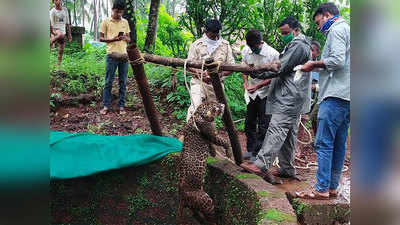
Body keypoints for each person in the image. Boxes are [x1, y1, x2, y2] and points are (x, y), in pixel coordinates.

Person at [240, 17, 312, 184]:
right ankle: (287, 168)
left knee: (276, 128)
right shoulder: (296, 45)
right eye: (282, 33)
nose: (284, 36)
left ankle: (261, 164)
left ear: (296, 30)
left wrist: (256, 73)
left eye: (286, 33)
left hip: (289, 97)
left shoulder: (298, 45)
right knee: (288, 135)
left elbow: (279, 67)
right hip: (294, 96)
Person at [296, 2, 350, 200]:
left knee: (324, 142)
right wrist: (318, 67)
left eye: (318, 22)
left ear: (326, 15)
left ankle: (321, 189)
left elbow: (336, 61)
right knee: (339, 143)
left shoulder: (336, 31)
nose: (319, 27)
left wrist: (313, 64)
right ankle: (332, 187)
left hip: (335, 96)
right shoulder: (349, 30)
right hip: (349, 96)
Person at [185, 19, 235, 122]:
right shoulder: (196, 45)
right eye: (212, 34)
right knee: (195, 106)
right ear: (206, 31)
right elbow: (188, 65)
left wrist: (219, 75)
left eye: (217, 33)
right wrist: (199, 73)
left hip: (216, 86)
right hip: (199, 82)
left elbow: (232, 66)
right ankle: (190, 131)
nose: (215, 36)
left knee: (211, 114)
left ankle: (206, 135)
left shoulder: (225, 45)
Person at [241, 29, 279, 162]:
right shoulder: (246, 50)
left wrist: (258, 86)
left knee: (264, 124)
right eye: (251, 47)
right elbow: (244, 67)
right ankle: (250, 149)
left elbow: (275, 77)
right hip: (251, 93)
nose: (253, 49)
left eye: (255, 47)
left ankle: (258, 153)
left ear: (261, 42)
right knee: (249, 122)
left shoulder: (273, 54)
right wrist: (246, 83)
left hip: (266, 93)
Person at [99, 0, 131, 115]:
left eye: (121, 12)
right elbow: (101, 38)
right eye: (117, 12)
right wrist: (114, 39)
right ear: (113, 9)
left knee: (123, 82)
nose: (119, 14)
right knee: (108, 82)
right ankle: (106, 106)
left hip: (124, 56)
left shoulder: (125, 22)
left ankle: (121, 106)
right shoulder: (106, 22)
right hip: (111, 55)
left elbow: (129, 39)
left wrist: (124, 38)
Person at [50, 0, 72, 70]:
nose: (58, 1)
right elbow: (50, 24)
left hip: (63, 31)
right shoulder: (52, 11)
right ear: (53, 2)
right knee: (60, 35)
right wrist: (52, 34)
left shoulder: (65, 10)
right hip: (55, 30)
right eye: (56, 0)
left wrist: (69, 35)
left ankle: (58, 67)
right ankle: (50, 41)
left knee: (61, 51)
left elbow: (67, 24)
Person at [309, 40, 321, 135]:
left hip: (316, 98)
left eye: (313, 50)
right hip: (303, 98)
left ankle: (316, 138)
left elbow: (326, 84)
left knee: (315, 119)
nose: (310, 52)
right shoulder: (302, 64)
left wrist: (315, 87)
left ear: (318, 53)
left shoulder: (321, 66)